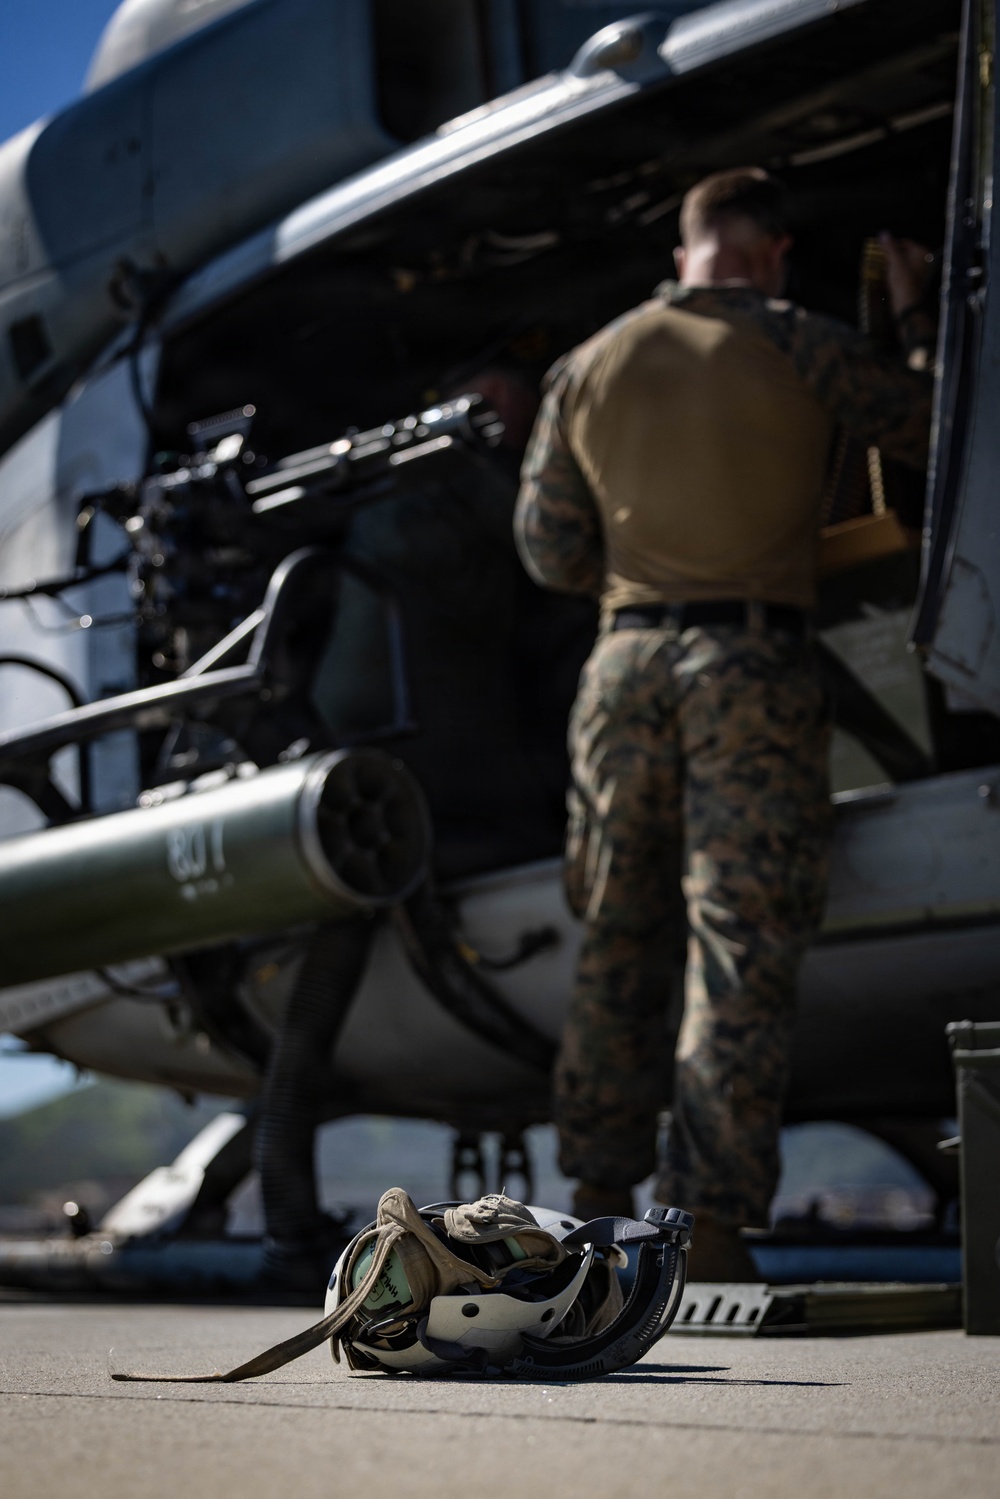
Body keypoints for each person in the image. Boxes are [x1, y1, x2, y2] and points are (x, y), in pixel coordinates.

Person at [514, 167, 936, 1280]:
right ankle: (703, 1225)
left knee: (614, 933)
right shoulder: (800, 339)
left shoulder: (586, 364)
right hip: (748, 659)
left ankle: (594, 1202)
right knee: (735, 940)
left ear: (686, 249)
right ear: (773, 251)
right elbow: (933, 424)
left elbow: (548, 548)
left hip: (620, 667)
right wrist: (919, 316)